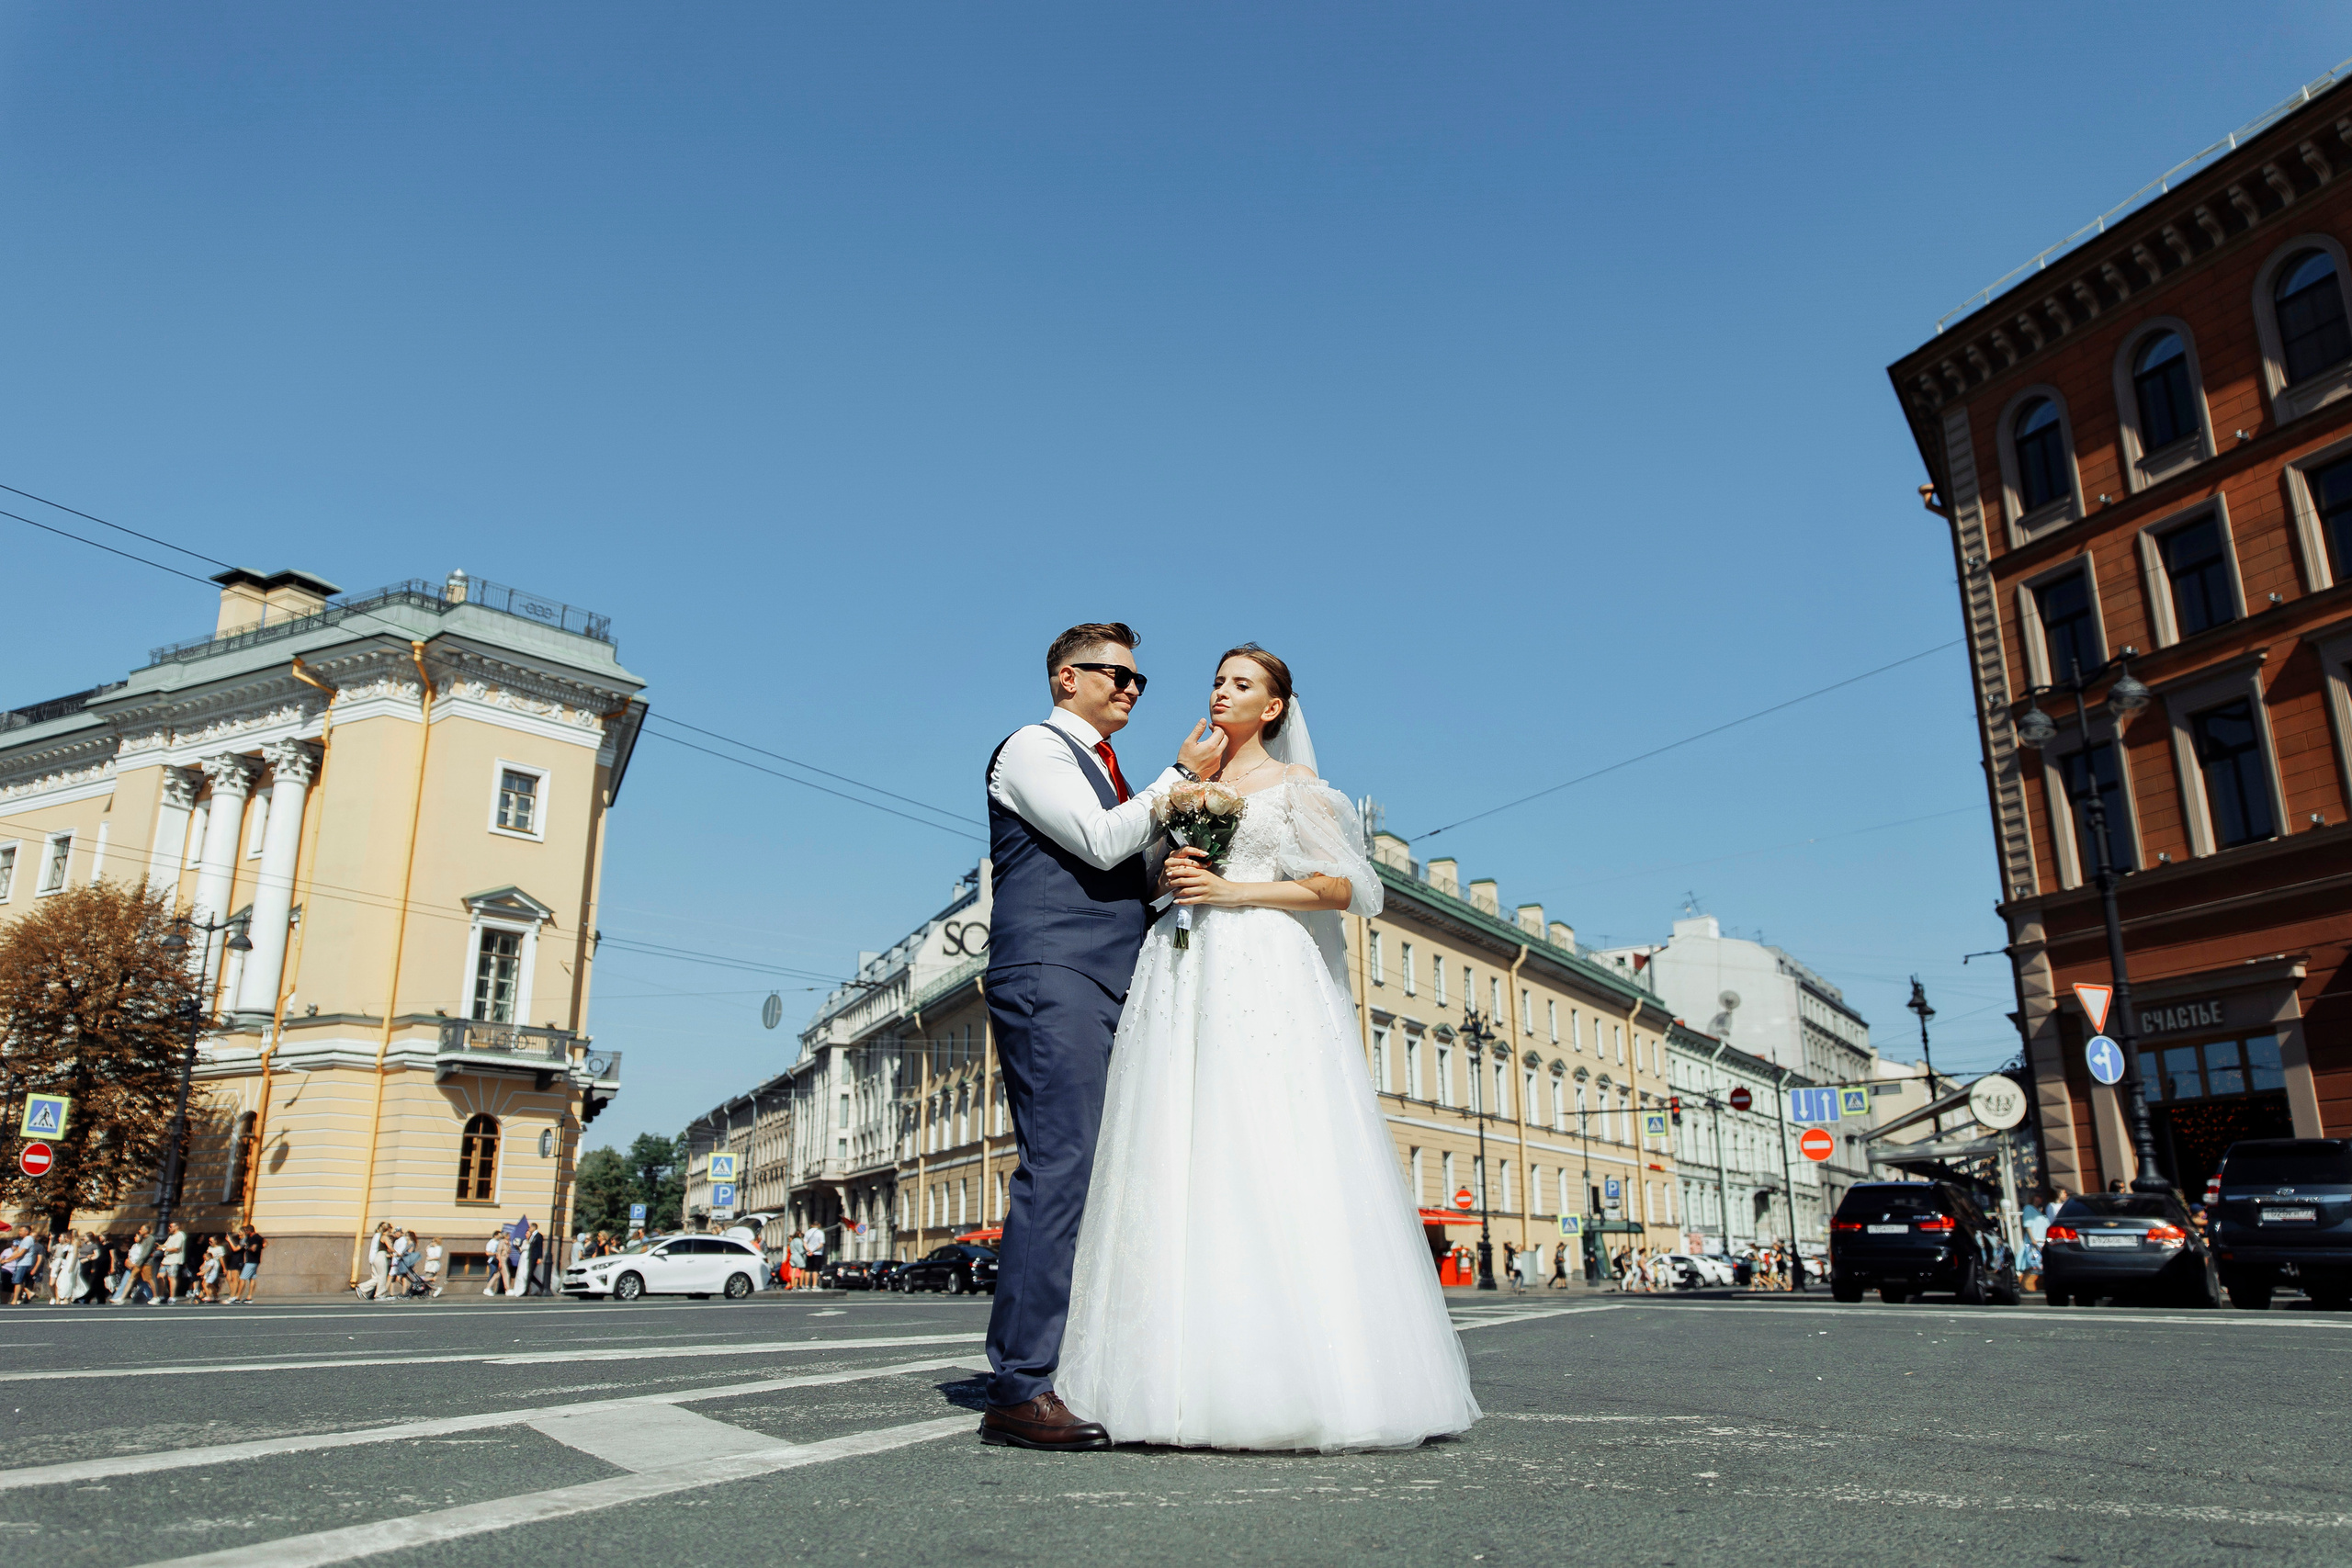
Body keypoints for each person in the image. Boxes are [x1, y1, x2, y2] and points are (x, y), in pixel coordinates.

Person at [1057, 642, 1481, 1453]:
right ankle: (1165, 1384)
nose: (1223, 692)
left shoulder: (1300, 790)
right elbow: (1152, 879)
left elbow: (1349, 887)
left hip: (1258, 963)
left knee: (1262, 1135)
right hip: (1182, 967)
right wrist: (1174, 867)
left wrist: (1232, 890)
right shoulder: (1191, 786)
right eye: (1218, 680)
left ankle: (1300, 1378)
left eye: (1242, 683)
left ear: (1275, 707)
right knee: (1176, 1146)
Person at [966, 624, 1227, 1451]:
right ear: (1066, 675)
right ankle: (1019, 1384)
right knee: (1063, 1165)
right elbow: (1102, 838)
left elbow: (1130, 871)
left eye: (1141, 681)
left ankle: (1077, 1364)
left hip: (1113, 977)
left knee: (1111, 1171)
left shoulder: (1112, 772)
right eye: (1118, 675)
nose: (1133, 690)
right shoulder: (1031, 750)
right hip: (1053, 972)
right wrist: (1181, 781)